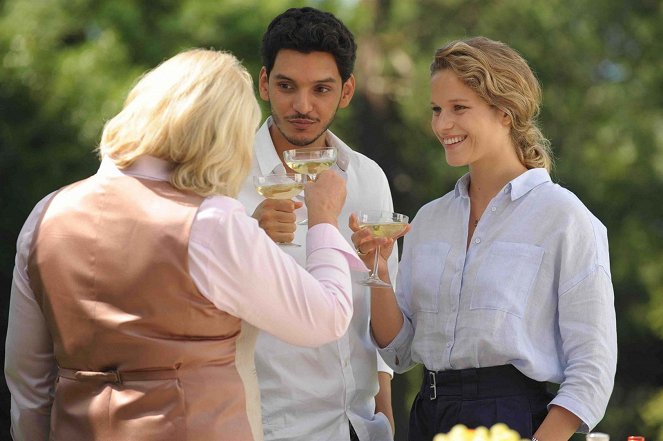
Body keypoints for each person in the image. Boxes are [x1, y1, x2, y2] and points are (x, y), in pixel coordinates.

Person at [5, 48, 366, 441]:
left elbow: (27, 382)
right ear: (222, 134)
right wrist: (325, 220)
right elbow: (326, 318)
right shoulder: (211, 222)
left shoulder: (46, 214)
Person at [350, 36, 617, 441]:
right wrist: (380, 269)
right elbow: (399, 350)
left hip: (515, 418)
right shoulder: (429, 219)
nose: (442, 125)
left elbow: (593, 367)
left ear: (505, 112)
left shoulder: (564, 217)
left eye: (459, 108)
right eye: (437, 110)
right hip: (429, 416)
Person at [236, 7, 396, 441]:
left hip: (361, 428)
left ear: (346, 92)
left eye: (321, 89)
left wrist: (385, 417)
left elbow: (374, 316)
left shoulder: (368, 178)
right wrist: (249, 239)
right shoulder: (225, 177)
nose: (303, 106)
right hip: (269, 428)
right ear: (264, 82)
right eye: (287, 86)